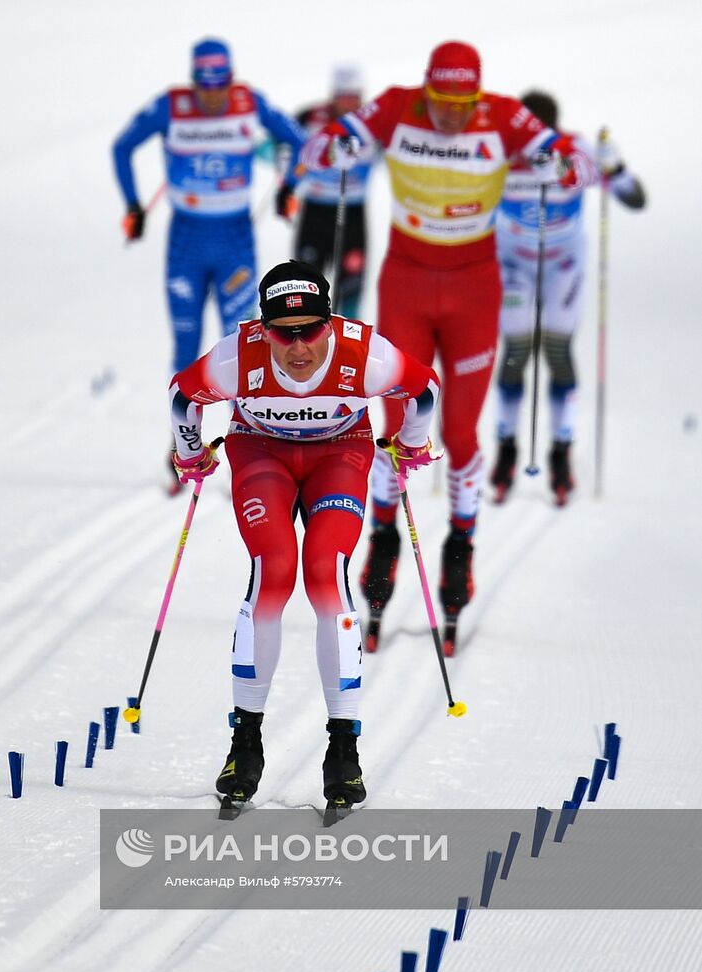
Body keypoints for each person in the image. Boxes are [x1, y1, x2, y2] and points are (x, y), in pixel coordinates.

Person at [301, 41, 582, 653]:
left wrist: (565, 165)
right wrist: (338, 147)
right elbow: (322, 143)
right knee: (398, 426)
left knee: (458, 433)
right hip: (405, 281)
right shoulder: (398, 107)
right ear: (427, 90)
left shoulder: (502, 115)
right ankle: (382, 538)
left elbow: (571, 155)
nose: (452, 115)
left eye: (463, 103)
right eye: (442, 102)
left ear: (477, 97)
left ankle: (460, 544)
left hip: (475, 289)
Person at [168, 260, 439, 813]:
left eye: (312, 330)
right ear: (261, 328)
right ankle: (245, 743)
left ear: (330, 322)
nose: (298, 347)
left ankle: (344, 749)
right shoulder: (236, 356)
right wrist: (190, 453)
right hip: (260, 450)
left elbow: (425, 389)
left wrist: (410, 443)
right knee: (275, 571)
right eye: (283, 333)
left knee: (324, 575)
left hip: (339, 452)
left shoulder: (365, 354)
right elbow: (182, 395)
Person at [112, 38, 306, 377]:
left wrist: (288, 186)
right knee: (186, 345)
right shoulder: (171, 106)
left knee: (242, 345)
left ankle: (243, 430)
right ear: (193, 81)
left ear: (231, 80)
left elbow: (299, 139)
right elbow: (122, 147)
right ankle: (181, 429)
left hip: (235, 239)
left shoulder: (249, 102)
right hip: (187, 240)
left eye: (221, 86)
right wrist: (132, 204)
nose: (213, 95)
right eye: (205, 86)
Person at [490, 90, 646, 504]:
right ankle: (506, 449)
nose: (530, 146)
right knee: (516, 351)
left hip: (563, 266)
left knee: (558, 351)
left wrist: (616, 165)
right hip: (513, 266)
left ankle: (561, 450)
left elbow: (635, 197)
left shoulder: (576, 151)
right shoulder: (499, 153)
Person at [275, 65, 376, 318]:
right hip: (315, 212)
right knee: (303, 284)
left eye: (354, 97)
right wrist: (287, 188)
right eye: (343, 97)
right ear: (333, 95)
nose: (349, 103)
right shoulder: (311, 117)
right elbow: (292, 153)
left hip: (352, 213)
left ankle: (347, 347)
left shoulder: (372, 121)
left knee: (351, 286)